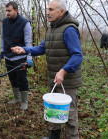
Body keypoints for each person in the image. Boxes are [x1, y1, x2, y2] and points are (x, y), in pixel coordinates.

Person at [11, 0, 83, 138]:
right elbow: (41, 48)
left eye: (51, 9)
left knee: (70, 113)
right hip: (54, 78)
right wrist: (24, 50)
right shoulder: (52, 29)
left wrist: (63, 71)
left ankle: (72, 137)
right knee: (54, 108)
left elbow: (77, 56)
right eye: (47, 9)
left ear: (61, 12)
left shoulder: (69, 30)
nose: (47, 12)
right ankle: (54, 136)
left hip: (67, 81)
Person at [0, 1, 33, 110]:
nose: (7, 13)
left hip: (20, 57)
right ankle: (17, 98)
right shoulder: (5, 22)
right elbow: (2, 37)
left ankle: (24, 101)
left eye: (9, 11)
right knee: (12, 78)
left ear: (16, 10)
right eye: (6, 10)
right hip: (8, 56)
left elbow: (28, 43)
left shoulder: (25, 23)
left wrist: (29, 58)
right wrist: (2, 52)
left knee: (21, 79)